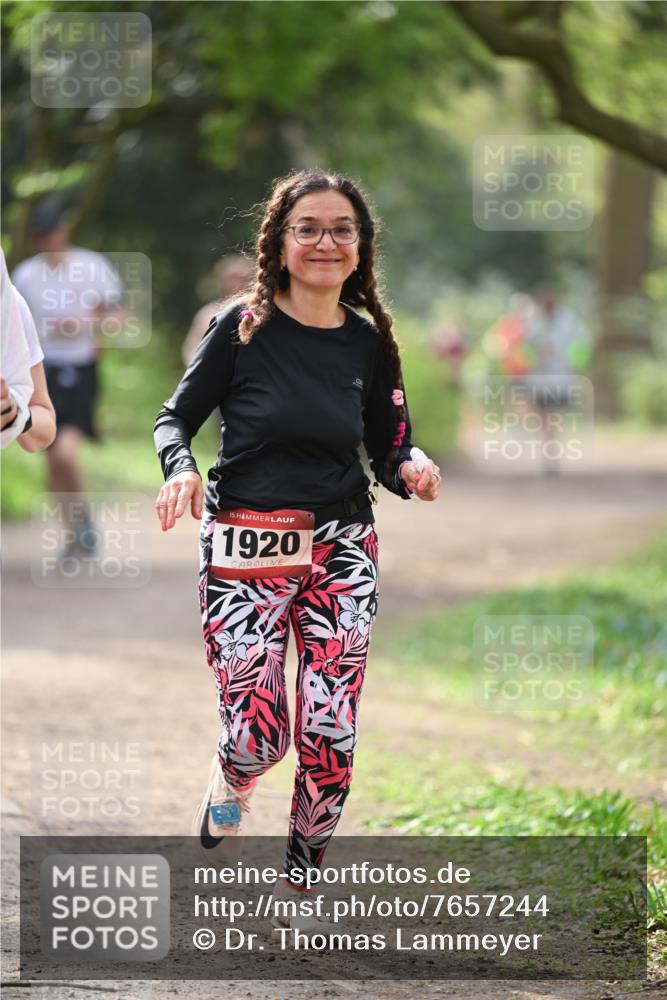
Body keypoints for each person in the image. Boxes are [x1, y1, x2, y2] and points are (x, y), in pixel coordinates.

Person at [153, 169, 442, 937]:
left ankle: (300, 888)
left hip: (343, 544)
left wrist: (409, 467)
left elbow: (388, 440)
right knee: (260, 732)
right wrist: (180, 472)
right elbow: (173, 419)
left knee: (329, 727)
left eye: (340, 229)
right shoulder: (240, 327)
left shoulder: (368, 337)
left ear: (360, 247)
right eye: (307, 227)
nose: (324, 242)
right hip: (246, 544)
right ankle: (233, 770)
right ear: (279, 242)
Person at [12, 203, 123, 551]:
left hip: (80, 368)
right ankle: (73, 532)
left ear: (65, 231)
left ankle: (84, 521)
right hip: (41, 370)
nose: (47, 241)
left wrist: (84, 325)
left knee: (64, 452)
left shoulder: (92, 267)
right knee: (49, 454)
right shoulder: (26, 275)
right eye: (40, 236)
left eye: (52, 232)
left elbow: (118, 315)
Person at [182, 254, 255, 365]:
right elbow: (191, 349)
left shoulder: (259, 313)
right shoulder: (207, 314)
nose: (236, 284)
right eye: (232, 278)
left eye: (241, 279)